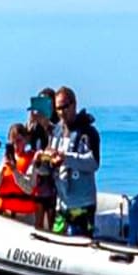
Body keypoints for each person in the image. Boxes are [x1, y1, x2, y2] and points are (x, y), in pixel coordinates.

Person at [44, 86, 100, 236]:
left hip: (82, 204)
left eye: (65, 107)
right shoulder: (55, 132)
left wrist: (66, 158)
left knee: (80, 242)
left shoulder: (88, 132)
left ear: (74, 104)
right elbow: (49, 163)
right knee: (57, 242)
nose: (62, 112)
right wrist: (42, 161)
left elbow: (93, 163)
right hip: (62, 203)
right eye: (58, 108)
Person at [0, 124, 39, 222]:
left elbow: (29, 188)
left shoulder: (32, 159)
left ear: (26, 140)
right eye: (12, 142)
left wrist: (14, 171)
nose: (16, 146)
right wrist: (2, 168)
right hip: (5, 214)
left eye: (19, 141)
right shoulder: (5, 161)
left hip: (25, 216)